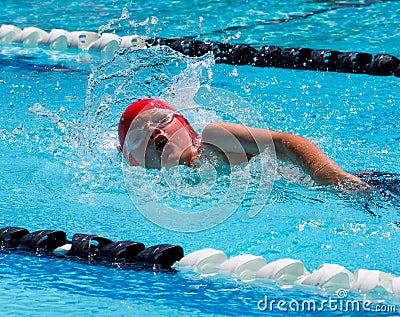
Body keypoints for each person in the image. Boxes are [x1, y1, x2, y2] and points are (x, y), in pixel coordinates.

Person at [118, 98, 369, 190]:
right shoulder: (174, 192)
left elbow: (285, 143)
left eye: (160, 120)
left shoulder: (214, 140)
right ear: (134, 162)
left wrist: (331, 176)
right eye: (138, 135)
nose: (154, 131)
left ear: (184, 125)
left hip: (361, 186)